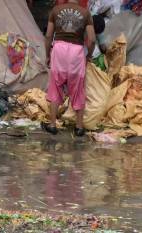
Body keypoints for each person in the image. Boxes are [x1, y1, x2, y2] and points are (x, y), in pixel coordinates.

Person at [43, 0, 95, 137]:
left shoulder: (56, 10)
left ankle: (53, 125)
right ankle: (79, 127)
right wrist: (88, 55)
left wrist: (47, 55)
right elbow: (92, 39)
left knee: (55, 86)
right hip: (76, 52)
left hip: (59, 49)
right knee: (78, 88)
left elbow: (48, 35)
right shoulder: (86, 13)